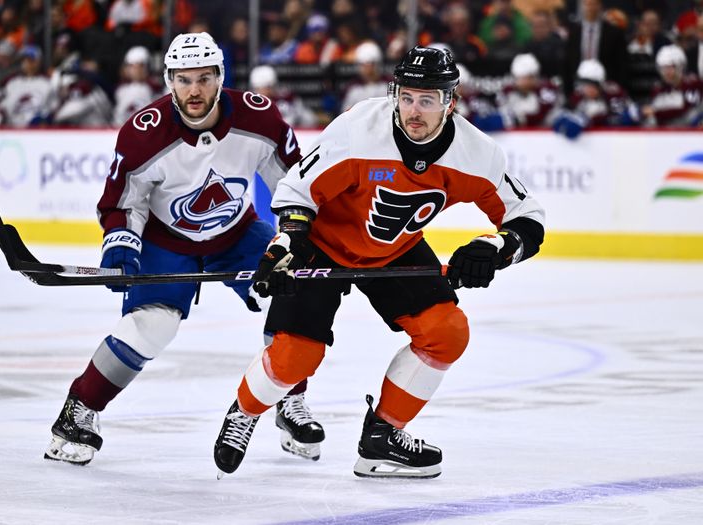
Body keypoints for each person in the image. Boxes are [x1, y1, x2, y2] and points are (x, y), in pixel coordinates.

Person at [213, 46, 545, 479]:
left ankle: (383, 437)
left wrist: (497, 247)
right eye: (406, 97)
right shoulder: (358, 130)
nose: (413, 111)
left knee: (446, 333)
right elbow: (298, 192)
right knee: (295, 357)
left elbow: (527, 218)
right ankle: (245, 411)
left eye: (427, 100)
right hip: (323, 243)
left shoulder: (476, 154)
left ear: (451, 101)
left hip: (396, 248)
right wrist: (289, 242)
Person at [44, 32, 324, 466]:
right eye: (183, 79)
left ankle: (287, 399)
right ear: (168, 80)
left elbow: (294, 185)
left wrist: (295, 237)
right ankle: (78, 412)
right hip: (165, 241)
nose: (194, 91)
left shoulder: (260, 119)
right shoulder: (144, 134)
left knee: (295, 296)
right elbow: (124, 202)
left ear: (220, 77)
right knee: (150, 327)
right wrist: (122, 243)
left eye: (205, 78)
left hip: (237, 234)